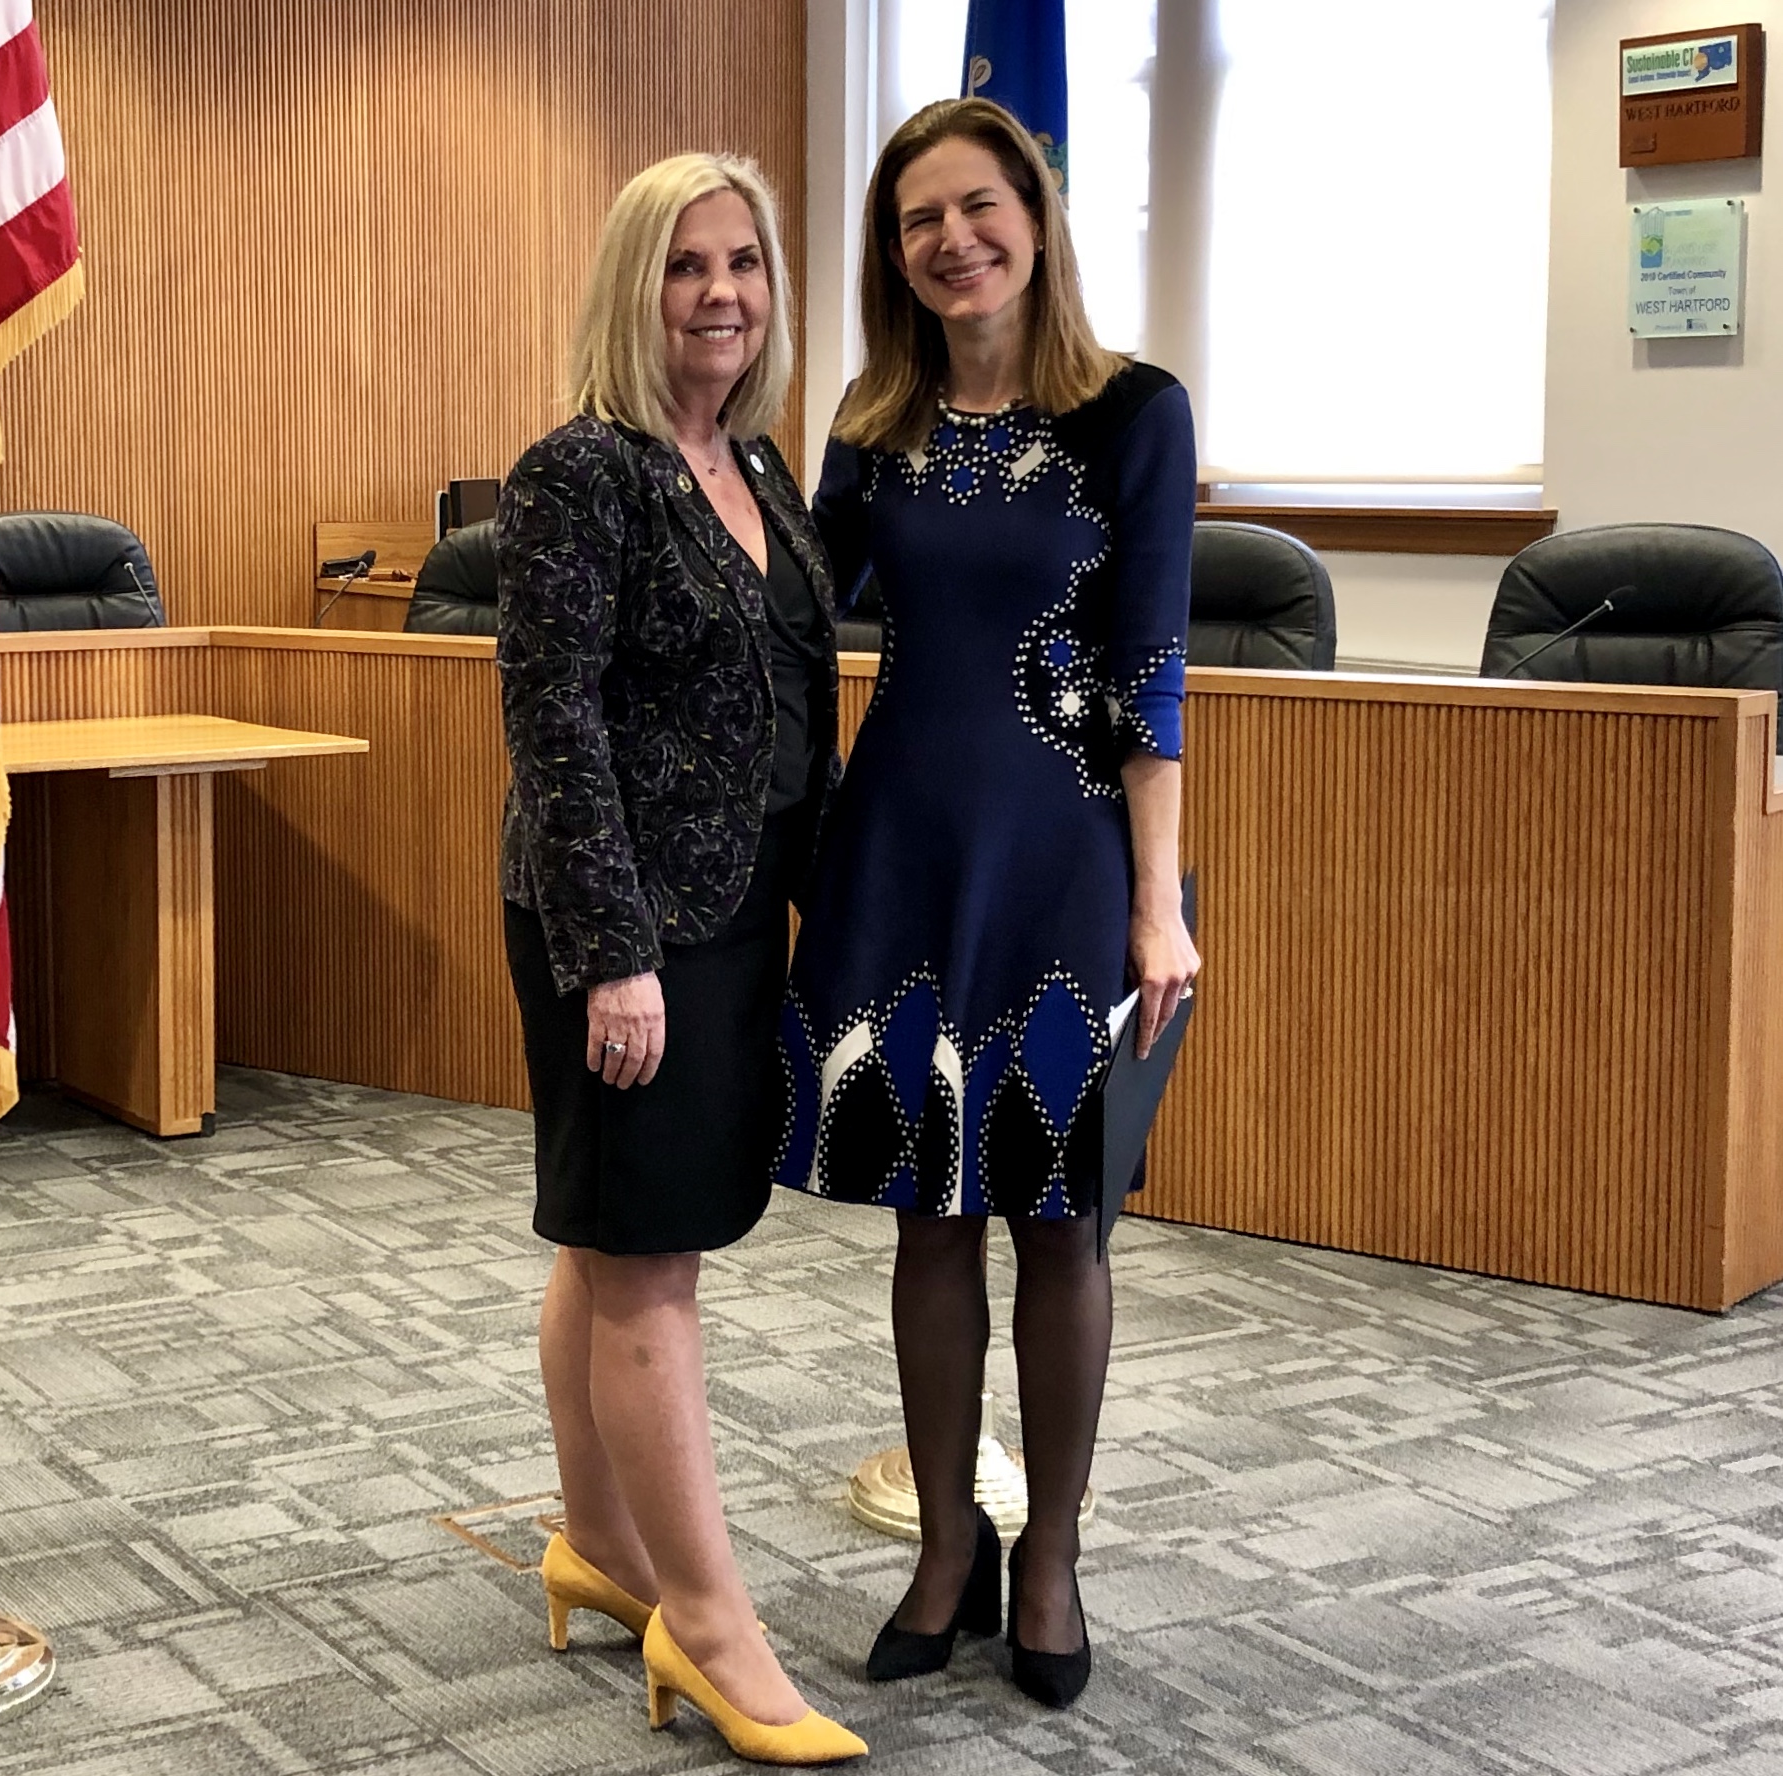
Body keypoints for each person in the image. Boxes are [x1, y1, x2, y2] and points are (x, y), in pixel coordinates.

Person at [776, 98, 1200, 1710]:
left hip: (1064, 856)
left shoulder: (1130, 413)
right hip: (900, 851)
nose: (951, 239)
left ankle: (1051, 1557)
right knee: (926, 1215)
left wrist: (1156, 906)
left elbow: (1153, 668)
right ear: (892, 255)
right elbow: (794, 622)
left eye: (977, 205)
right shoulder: (872, 424)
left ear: (1035, 209)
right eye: (914, 220)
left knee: (1058, 1220)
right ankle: (944, 1547)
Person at [496, 152, 865, 1766]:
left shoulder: (759, 464)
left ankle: (597, 1540)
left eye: (745, 264)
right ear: (628, 290)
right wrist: (611, 956)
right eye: (682, 266)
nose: (720, 292)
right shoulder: (584, 470)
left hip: (735, 911)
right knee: (651, 1262)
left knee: (609, 1235)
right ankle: (709, 1629)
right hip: (628, 927)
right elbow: (553, 718)